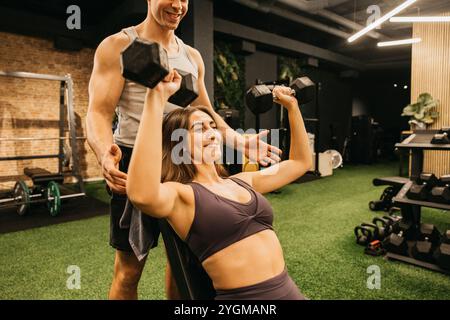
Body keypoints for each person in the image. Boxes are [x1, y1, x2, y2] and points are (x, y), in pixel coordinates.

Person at [86, 0, 281, 300]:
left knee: (182, 266)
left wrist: (237, 140)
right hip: (135, 163)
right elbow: (98, 112)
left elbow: (204, 109)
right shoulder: (117, 46)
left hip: (182, 162)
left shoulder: (191, 56)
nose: (178, 5)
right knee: (128, 271)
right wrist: (104, 154)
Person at [127, 69, 312, 299]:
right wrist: (155, 98)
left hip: (289, 291)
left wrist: (292, 107)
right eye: (199, 128)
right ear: (179, 144)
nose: (212, 134)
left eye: (212, 127)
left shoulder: (242, 181)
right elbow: (141, 195)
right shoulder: (182, 195)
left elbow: (300, 162)